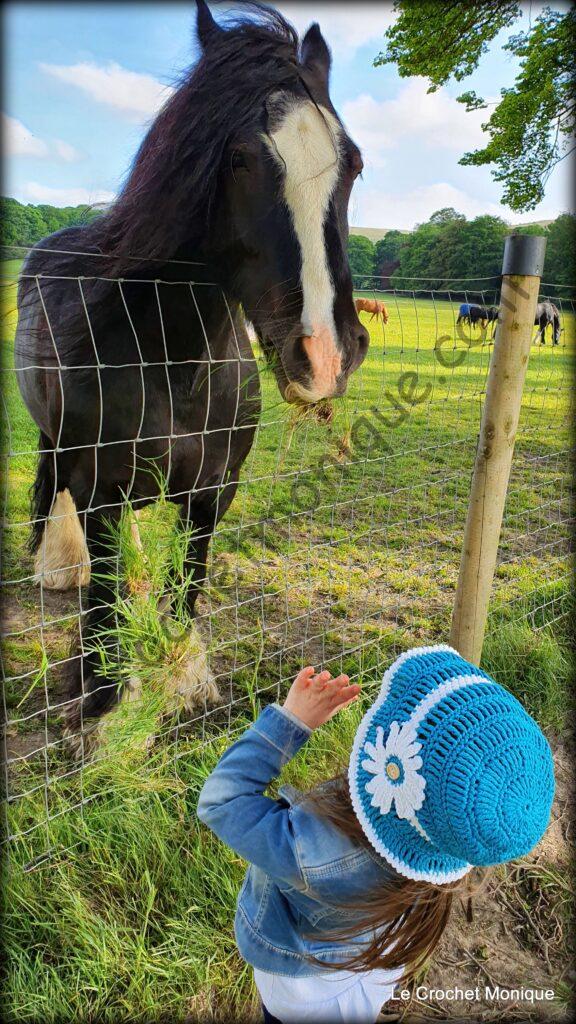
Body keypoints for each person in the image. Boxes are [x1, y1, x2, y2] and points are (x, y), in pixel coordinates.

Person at [198, 645, 555, 1023]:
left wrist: (290, 722)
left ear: (390, 763)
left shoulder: (309, 847)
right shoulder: (450, 835)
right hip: (371, 972)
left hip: (300, 993)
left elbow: (221, 801)